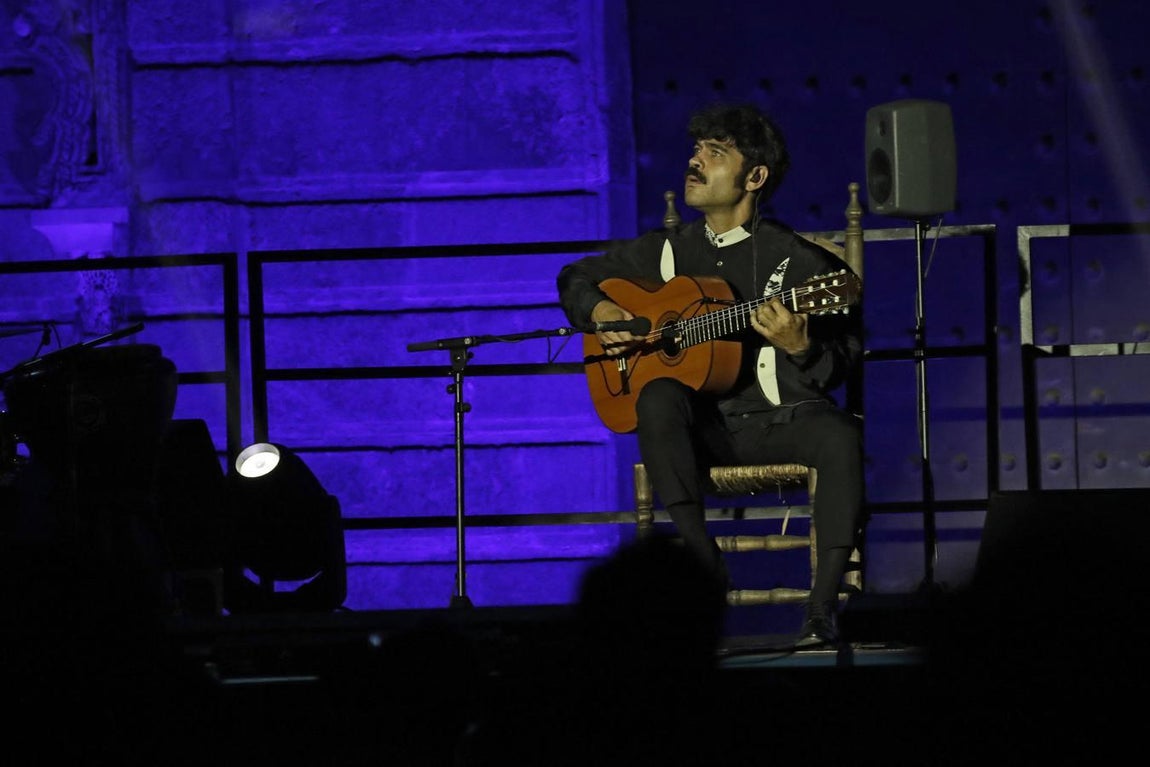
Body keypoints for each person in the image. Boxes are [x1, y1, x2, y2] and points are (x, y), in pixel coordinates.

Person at [556, 102, 864, 647]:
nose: (695, 162)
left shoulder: (805, 267)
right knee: (654, 395)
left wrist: (801, 346)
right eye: (697, 150)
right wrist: (601, 311)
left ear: (754, 177)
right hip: (700, 432)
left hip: (779, 419)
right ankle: (705, 562)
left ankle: (821, 609)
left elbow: (844, 360)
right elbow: (577, 275)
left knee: (840, 435)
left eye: (715, 154)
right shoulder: (667, 251)